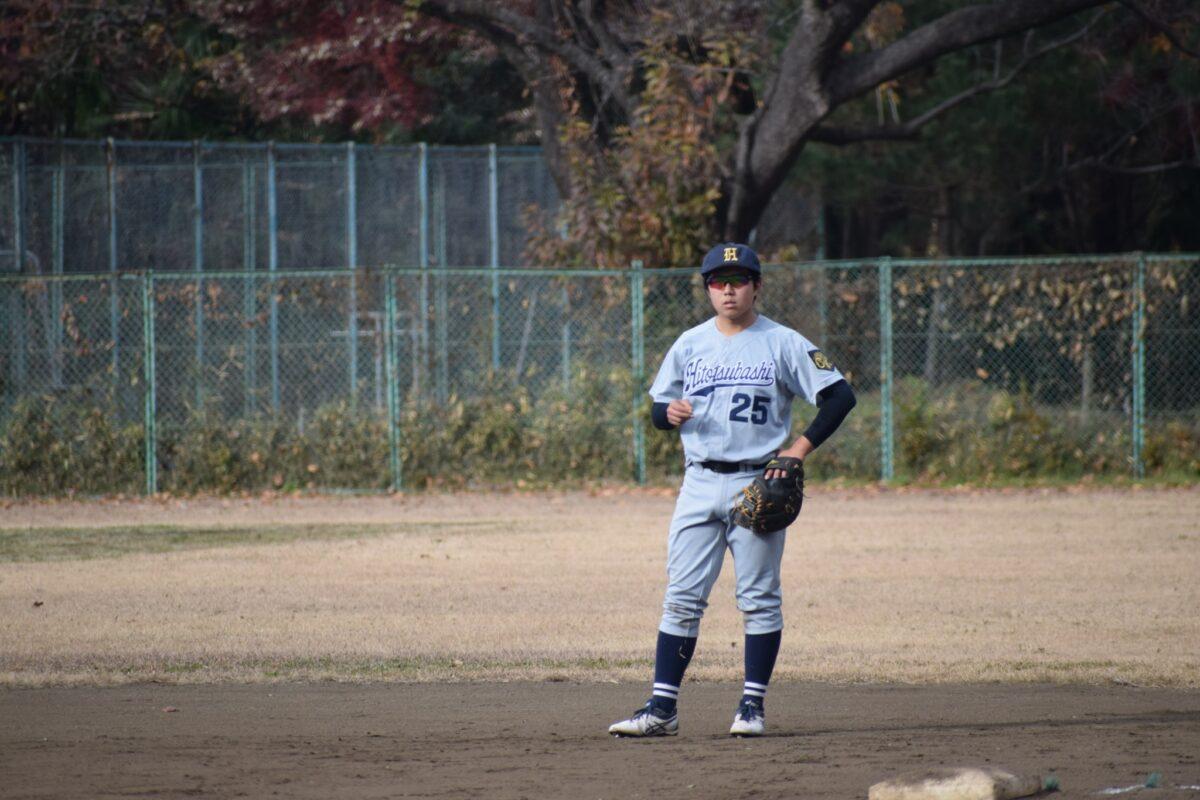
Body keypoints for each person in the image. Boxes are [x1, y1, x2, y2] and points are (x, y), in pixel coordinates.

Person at [608, 242, 856, 737]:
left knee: (758, 597)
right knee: (681, 597)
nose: (728, 290)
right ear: (707, 289)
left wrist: (797, 450)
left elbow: (840, 395)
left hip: (756, 481)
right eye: (718, 282)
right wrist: (667, 413)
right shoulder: (690, 343)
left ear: (756, 287)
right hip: (699, 481)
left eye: (739, 280)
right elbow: (657, 408)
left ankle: (751, 707)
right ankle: (662, 710)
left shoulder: (783, 342)